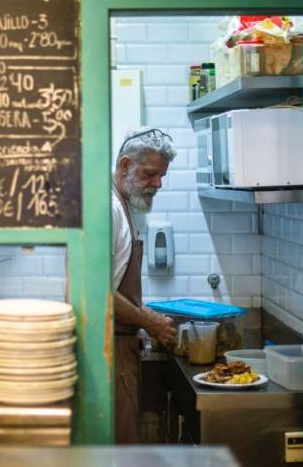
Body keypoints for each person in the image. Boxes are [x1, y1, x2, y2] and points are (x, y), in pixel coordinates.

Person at [112, 128, 178, 444]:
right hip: (109, 349)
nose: (158, 184)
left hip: (120, 345)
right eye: (151, 174)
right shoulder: (109, 211)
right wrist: (146, 319)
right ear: (125, 165)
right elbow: (98, 292)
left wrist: (141, 312)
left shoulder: (124, 206)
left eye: (161, 175)